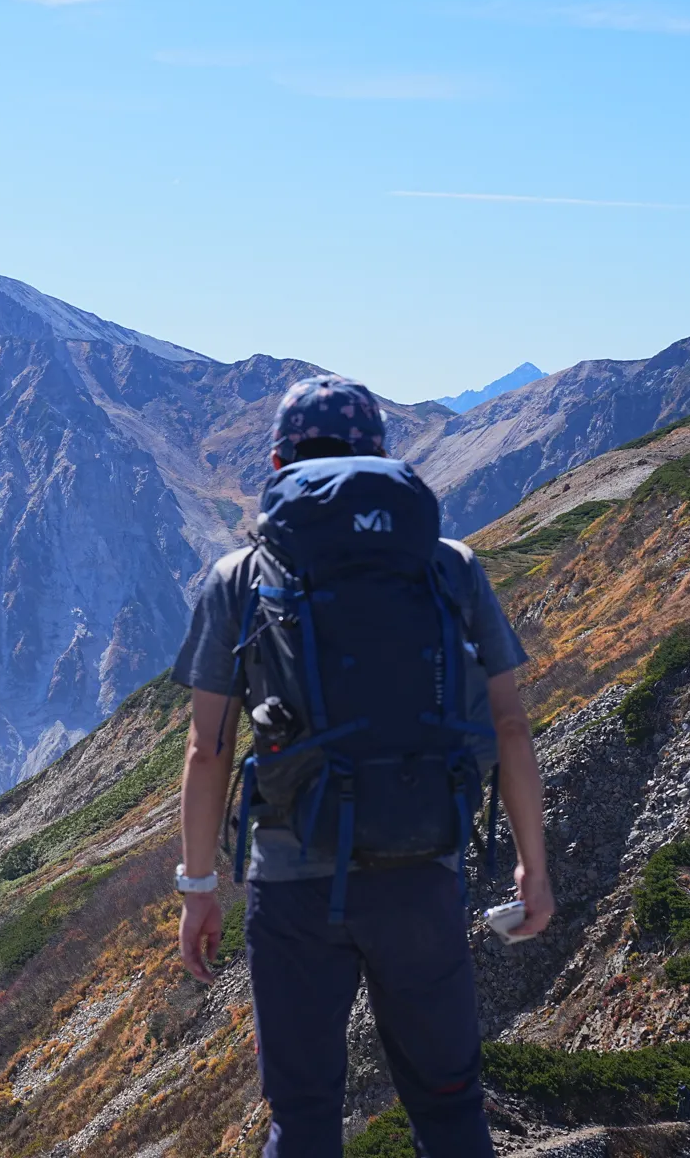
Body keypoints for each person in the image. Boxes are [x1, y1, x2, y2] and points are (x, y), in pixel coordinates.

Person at [170, 374, 554, 1157]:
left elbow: (206, 751)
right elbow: (510, 725)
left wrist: (198, 888)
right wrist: (533, 869)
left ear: (278, 462)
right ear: (382, 457)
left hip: (292, 886)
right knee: (450, 1110)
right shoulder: (451, 566)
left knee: (303, 1117)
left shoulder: (240, 577)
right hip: (421, 868)